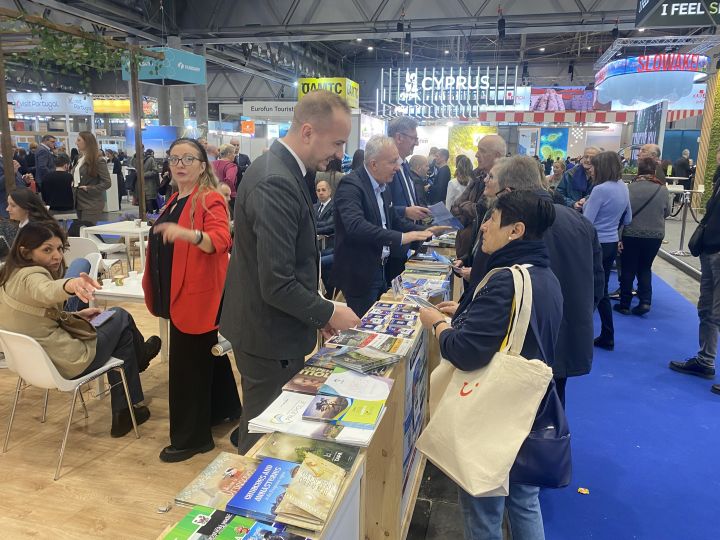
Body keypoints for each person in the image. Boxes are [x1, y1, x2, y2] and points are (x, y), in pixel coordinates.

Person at [219, 90, 361, 453]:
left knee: (270, 423)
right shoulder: (276, 180)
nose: (340, 154)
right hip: (268, 333)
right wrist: (328, 312)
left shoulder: (286, 171)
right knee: (265, 433)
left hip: (274, 327)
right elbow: (277, 282)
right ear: (308, 132)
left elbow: (293, 261)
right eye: (337, 142)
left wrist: (317, 309)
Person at [418, 190, 562, 540]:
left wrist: (437, 325)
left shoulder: (506, 279)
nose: (484, 228)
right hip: (526, 411)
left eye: (493, 220)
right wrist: (468, 313)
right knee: (524, 501)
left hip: (493, 413)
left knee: (483, 507)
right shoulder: (544, 276)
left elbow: (466, 352)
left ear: (516, 230)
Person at [462, 155, 604, 407]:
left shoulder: (505, 226)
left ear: (508, 191)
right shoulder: (578, 221)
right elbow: (597, 281)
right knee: (551, 406)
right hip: (563, 335)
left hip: (514, 345)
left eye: (494, 182)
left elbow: (483, 284)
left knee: (508, 415)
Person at [0, 221, 160, 437]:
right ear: (25, 252)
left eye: (59, 249)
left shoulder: (8, 276)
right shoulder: (31, 276)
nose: (57, 256)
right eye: (47, 250)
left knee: (123, 338)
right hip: (66, 362)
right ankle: (138, 364)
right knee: (120, 316)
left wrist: (75, 315)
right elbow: (46, 290)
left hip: (31, 365)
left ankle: (126, 408)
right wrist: (71, 284)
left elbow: (37, 314)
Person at [143, 138, 241, 462]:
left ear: (202, 166)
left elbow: (222, 240)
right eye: (174, 159)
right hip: (177, 294)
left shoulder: (209, 198)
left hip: (197, 298)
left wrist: (190, 235)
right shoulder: (175, 198)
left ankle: (192, 439)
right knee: (204, 358)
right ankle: (225, 409)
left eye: (188, 158)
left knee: (187, 369)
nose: (180, 164)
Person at [332, 135, 443, 317]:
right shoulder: (351, 185)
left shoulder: (383, 186)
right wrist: (402, 238)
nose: (397, 168)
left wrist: (425, 232)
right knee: (363, 325)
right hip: (360, 274)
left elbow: (393, 220)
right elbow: (356, 226)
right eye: (392, 162)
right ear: (374, 164)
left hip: (381, 267)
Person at [669, 145, 720, 395]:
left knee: (716, 312)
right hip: (710, 250)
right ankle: (705, 360)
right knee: (706, 309)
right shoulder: (718, 179)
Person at [582, 151, 632, 351]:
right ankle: (607, 333)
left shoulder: (600, 190)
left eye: (593, 166)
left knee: (591, 291)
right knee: (601, 290)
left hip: (595, 244)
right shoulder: (623, 187)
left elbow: (587, 221)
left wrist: (584, 206)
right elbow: (628, 218)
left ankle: (590, 333)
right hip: (611, 243)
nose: (590, 169)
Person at [614, 158, 670, 316]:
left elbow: (622, 213)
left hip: (631, 233)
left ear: (638, 170)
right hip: (655, 235)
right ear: (654, 171)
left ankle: (624, 304)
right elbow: (667, 212)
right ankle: (645, 301)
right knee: (645, 267)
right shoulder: (663, 190)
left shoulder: (629, 188)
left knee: (628, 268)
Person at [386, 116, 432, 285]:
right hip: (394, 245)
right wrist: (405, 211)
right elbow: (381, 207)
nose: (416, 143)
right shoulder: (387, 167)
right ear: (399, 137)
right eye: (414, 138)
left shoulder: (405, 166)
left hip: (407, 241)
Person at [452, 135, 507, 273]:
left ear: (497, 156)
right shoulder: (477, 177)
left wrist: (467, 207)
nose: (476, 155)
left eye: (482, 151)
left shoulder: (505, 185)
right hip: (469, 252)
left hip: (487, 262)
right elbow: (456, 205)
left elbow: (479, 209)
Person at [72, 132, 111, 225]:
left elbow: (107, 183)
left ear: (87, 142)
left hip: (91, 203)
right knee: (80, 230)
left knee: (87, 229)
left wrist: (89, 188)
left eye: (79, 140)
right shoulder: (80, 159)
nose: (76, 143)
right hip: (78, 202)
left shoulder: (98, 160)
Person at [315, 179, 335, 295]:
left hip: (331, 245)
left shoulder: (335, 206)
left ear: (329, 191)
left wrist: (313, 226)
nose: (321, 192)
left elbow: (330, 226)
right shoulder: (314, 207)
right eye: (318, 190)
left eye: (323, 190)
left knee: (318, 263)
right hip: (317, 245)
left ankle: (329, 293)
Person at [211, 144, 239, 214]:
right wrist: (230, 193)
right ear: (229, 154)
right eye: (234, 153)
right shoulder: (231, 166)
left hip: (212, 195)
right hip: (228, 198)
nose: (235, 155)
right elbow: (229, 180)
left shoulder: (211, 164)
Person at [132, 147, 160, 212]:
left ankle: (150, 217)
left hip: (149, 185)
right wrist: (135, 156)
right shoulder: (136, 158)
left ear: (143, 149)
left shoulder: (150, 159)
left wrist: (143, 175)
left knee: (149, 203)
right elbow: (133, 165)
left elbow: (155, 171)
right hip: (140, 185)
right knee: (141, 205)